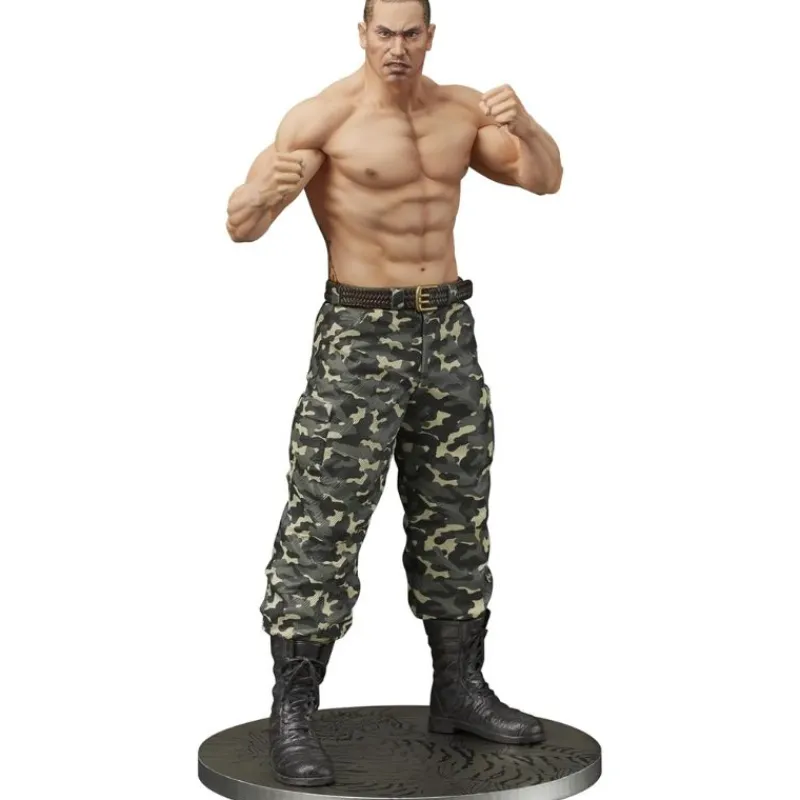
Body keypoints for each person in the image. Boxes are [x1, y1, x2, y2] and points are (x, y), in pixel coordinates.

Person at [225, 0, 563, 787]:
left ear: (430, 37)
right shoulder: (323, 117)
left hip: (447, 329)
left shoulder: (460, 112)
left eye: (412, 33)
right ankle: (293, 708)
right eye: (385, 32)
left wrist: (529, 123)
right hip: (360, 333)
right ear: (363, 34)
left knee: (455, 508)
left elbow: (544, 179)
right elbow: (240, 224)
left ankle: (460, 688)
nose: (398, 47)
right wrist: (263, 192)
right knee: (326, 515)